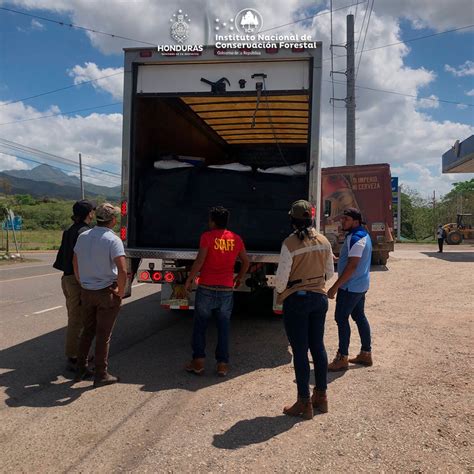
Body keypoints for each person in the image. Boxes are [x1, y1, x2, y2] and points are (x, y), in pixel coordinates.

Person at [275, 200, 334, 420]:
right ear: (311, 217)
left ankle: (303, 402)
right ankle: (322, 397)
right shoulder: (324, 241)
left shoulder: (289, 244)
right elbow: (329, 274)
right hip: (319, 299)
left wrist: (286, 287)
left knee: (300, 351)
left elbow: (281, 282)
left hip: (296, 301)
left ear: (292, 219)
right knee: (318, 346)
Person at [184, 206, 249, 377]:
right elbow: (246, 261)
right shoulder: (236, 238)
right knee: (223, 327)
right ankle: (222, 365)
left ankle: (198, 362)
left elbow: (199, 261)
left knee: (200, 326)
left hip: (206, 287)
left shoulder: (207, 237)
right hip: (226, 289)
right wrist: (239, 277)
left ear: (212, 221)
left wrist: (190, 279)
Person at [73, 203, 126, 387]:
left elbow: (75, 262)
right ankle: (101, 374)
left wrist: (83, 283)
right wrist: (120, 291)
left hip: (87, 292)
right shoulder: (113, 240)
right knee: (104, 335)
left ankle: (80, 368)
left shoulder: (83, 236)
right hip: (105, 292)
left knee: (87, 331)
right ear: (112, 220)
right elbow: (122, 270)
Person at [327, 208, 373, 371]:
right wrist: (339, 258)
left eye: (346, 219)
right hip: (360, 285)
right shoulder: (359, 235)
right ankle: (366, 353)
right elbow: (353, 260)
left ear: (356, 221)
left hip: (350, 287)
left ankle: (342, 357)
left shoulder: (357, 237)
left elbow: (353, 265)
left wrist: (334, 287)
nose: (342, 222)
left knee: (341, 318)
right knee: (359, 316)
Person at [53, 199, 95, 371]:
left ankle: (79, 353)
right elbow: (83, 260)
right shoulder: (85, 233)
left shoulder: (69, 230)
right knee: (77, 320)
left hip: (67, 279)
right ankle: (74, 357)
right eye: (92, 211)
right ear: (89, 214)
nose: (93, 214)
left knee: (78, 319)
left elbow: (63, 258)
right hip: (76, 281)